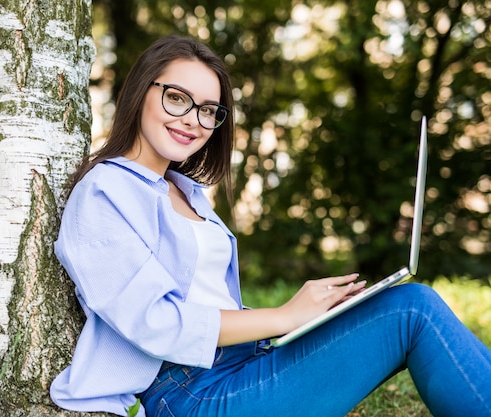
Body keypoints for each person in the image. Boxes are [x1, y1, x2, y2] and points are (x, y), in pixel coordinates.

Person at [50, 34, 491, 417]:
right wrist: (282, 316)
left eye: (209, 110)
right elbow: (156, 322)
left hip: (243, 362)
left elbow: (209, 300)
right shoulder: (104, 193)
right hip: (189, 395)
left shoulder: (184, 191)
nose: (193, 120)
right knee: (412, 311)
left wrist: (301, 319)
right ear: (140, 92)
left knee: (408, 303)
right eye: (177, 98)